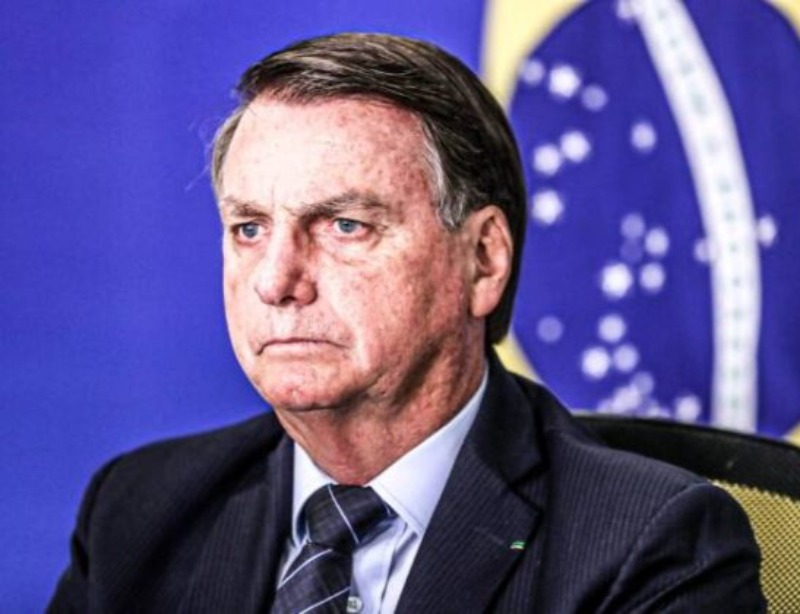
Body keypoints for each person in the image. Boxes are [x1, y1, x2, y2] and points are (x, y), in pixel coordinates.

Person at [49, 33, 765, 613]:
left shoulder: (649, 546)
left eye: (345, 225)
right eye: (249, 229)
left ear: (482, 261)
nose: (276, 280)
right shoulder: (140, 512)